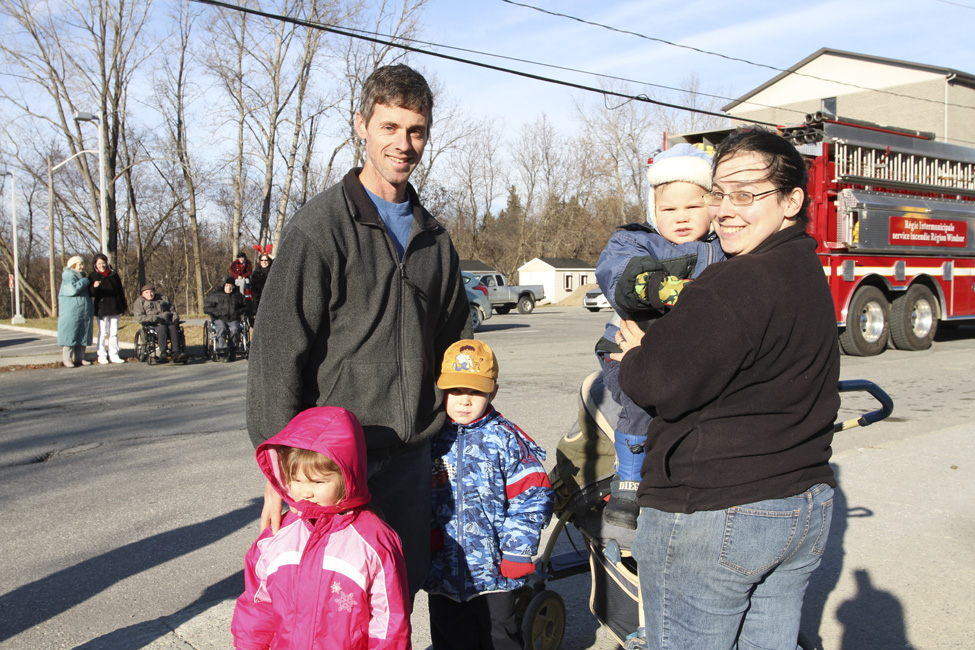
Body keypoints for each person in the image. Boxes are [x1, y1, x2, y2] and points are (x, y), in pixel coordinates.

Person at [246, 64, 472, 599]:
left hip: (412, 459)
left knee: (397, 598)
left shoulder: (433, 238)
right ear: (361, 125)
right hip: (332, 469)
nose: (403, 143)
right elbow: (277, 353)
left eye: (415, 130)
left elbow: (457, 339)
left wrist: (469, 405)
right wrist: (279, 471)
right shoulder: (318, 227)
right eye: (389, 127)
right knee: (333, 608)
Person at [612, 127, 841, 650]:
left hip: (717, 512)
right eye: (719, 193)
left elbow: (661, 383)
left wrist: (634, 357)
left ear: (791, 201)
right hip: (798, 510)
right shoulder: (804, 269)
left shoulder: (737, 281)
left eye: (746, 194)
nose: (724, 210)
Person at [594, 144, 725, 529]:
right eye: (669, 209)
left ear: (712, 207)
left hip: (694, 356)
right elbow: (619, 274)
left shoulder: (727, 249)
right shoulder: (634, 241)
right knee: (643, 395)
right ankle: (628, 483)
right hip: (631, 348)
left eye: (693, 207)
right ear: (654, 212)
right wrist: (666, 289)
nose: (681, 218)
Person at [231, 406, 411, 650]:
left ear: (347, 477)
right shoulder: (278, 536)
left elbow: (389, 619)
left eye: (318, 482)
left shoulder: (372, 540)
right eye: (297, 480)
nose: (305, 492)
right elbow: (257, 605)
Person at [424, 339, 553, 650]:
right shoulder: (430, 439)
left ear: (493, 391)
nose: (464, 401)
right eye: (455, 391)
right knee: (450, 638)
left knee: (500, 637)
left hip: (495, 571)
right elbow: (413, 491)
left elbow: (532, 496)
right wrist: (424, 533)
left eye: (475, 392)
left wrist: (517, 551)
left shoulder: (506, 439)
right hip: (443, 570)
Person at [88, 252, 127, 364]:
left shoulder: (113, 275)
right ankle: (101, 354)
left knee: (114, 332)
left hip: (115, 307)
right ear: (95, 264)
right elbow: (91, 293)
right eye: (99, 263)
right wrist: (94, 287)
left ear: (106, 263)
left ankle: (114, 354)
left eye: (103, 263)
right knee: (103, 332)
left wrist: (123, 306)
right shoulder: (93, 276)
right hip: (102, 308)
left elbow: (120, 291)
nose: (102, 265)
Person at [132, 284, 187, 363]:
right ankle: (163, 352)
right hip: (152, 325)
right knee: (162, 328)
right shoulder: (140, 302)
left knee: (173, 328)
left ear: (154, 292)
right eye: (147, 292)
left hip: (167, 321)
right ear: (142, 294)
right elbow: (139, 317)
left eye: (151, 292)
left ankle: (176, 353)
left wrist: (175, 320)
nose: (149, 294)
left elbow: (173, 311)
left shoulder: (163, 298)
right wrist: (155, 319)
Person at [57, 255, 93, 368]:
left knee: (82, 334)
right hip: (71, 312)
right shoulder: (68, 276)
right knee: (70, 334)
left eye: (82, 264)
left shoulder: (82, 277)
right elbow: (72, 290)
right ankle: (66, 359)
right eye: (79, 264)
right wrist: (84, 281)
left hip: (82, 311)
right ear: (73, 265)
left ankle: (80, 358)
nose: (82, 267)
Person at [204, 275, 247, 362]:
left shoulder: (238, 296)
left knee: (235, 329)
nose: (229, 288)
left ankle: (232, 348)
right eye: (227, 285)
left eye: (231, 286)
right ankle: (222, 350)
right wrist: (217, 312)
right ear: (223, 285)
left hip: (233, 319)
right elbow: (206, 308)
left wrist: (239, 312)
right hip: (220, 318)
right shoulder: (215, 295)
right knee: (221, 328)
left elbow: (247, 306)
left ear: (233, 286)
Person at [248, 252, 272, 321]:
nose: (264, 262)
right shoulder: (256, 272)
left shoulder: (272, 271)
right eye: (262, 260)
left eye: (266, 260)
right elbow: (254, 286)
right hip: (259, 295)